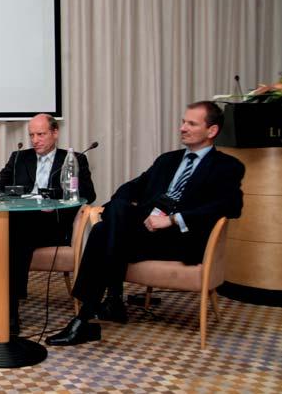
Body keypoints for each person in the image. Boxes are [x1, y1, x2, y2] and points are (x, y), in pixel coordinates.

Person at [47, 101, 244, 346]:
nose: (182, 128)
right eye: (183, 122)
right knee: (115, 213)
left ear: (212, 130)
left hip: (181, 239)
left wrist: (172, 220)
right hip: (144, 233)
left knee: (102, 230)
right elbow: (132, 187)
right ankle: (98, 311)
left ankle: (99, 309)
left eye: (191, 124)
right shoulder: (167, 160)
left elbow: (231, 206)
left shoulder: (227, 166)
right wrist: (121, 208)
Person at [0, 113, 96, 334]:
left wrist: (54, 196)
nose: (35, 140)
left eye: (41, 134)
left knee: (14, 235)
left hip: (53, 226)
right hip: (21, 225)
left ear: (55, 133)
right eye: (32, 135)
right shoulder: (19, 157)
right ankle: (8, 311)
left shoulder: (73, 159)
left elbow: (89, 194)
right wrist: (13, 194)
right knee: (18, 236)